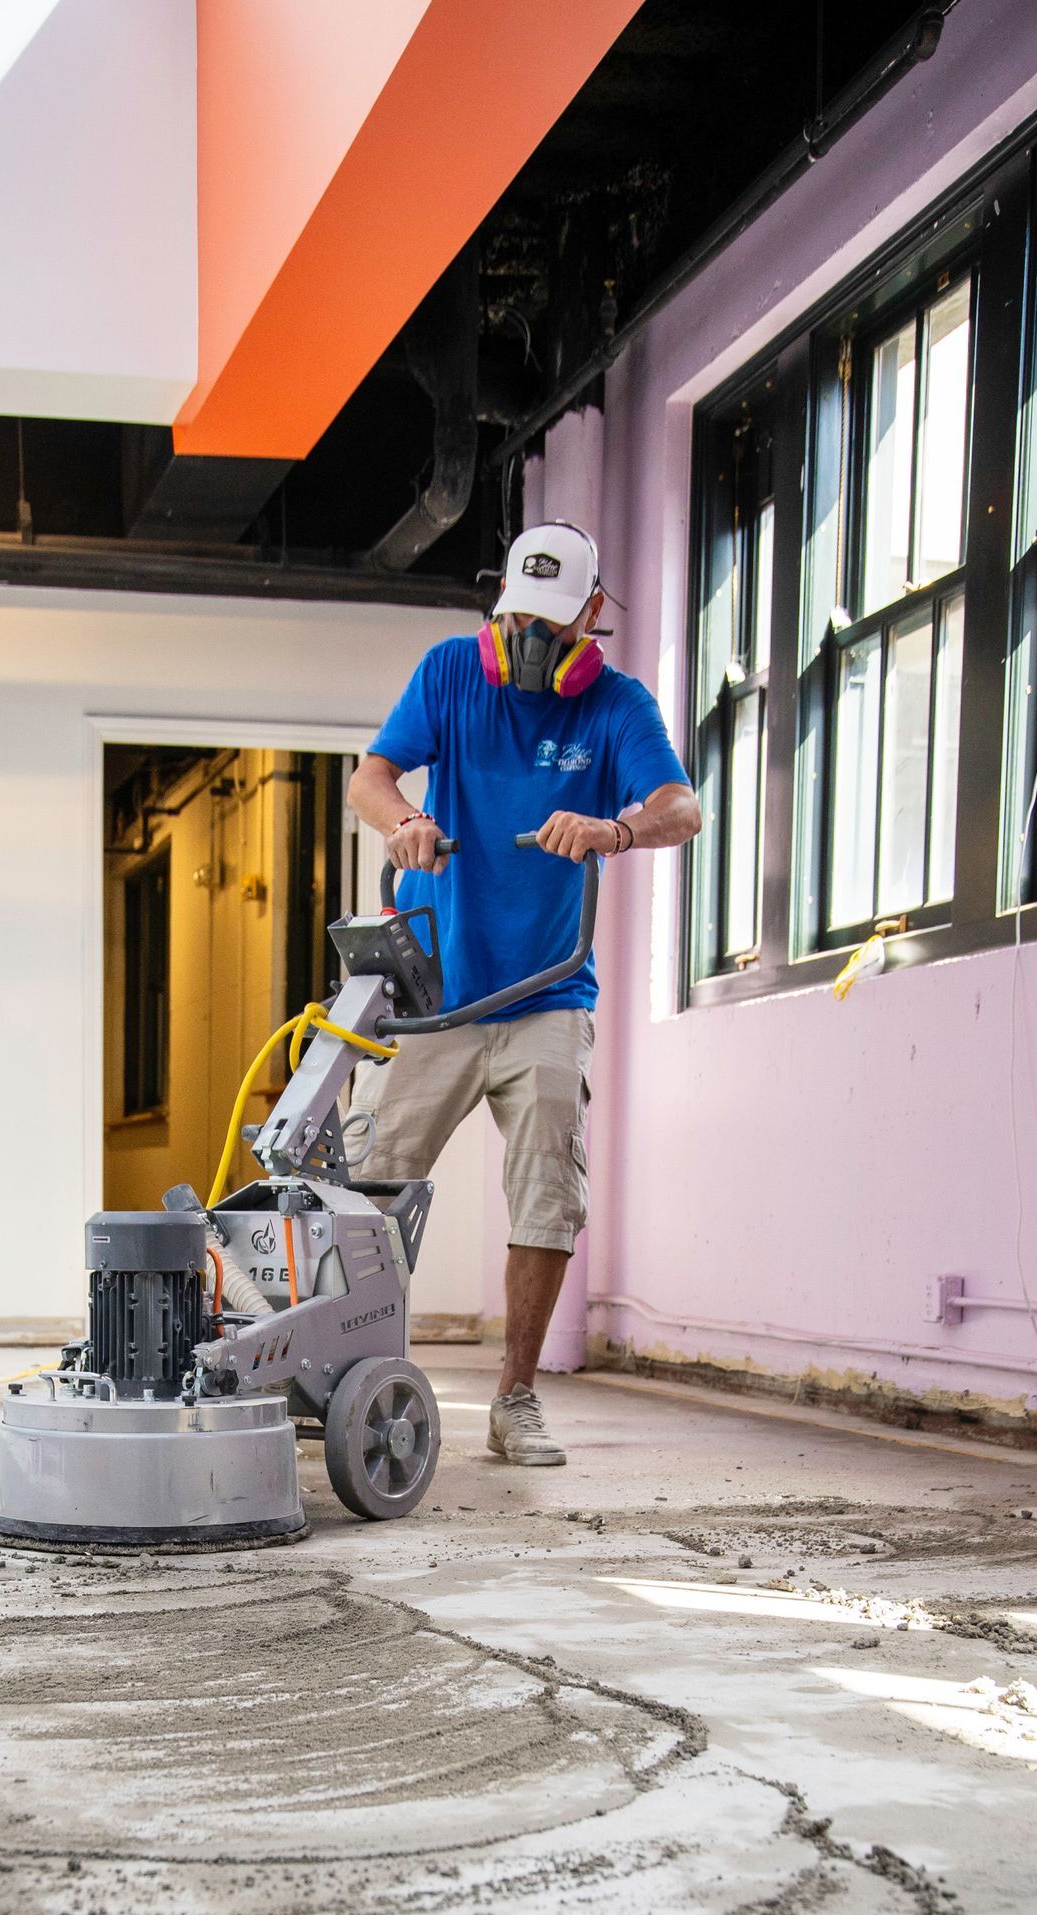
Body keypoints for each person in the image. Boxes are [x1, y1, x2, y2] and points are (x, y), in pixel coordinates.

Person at [347, 519, 699, 1468]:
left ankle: (515, 1400)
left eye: (556, 623)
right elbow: (370, 775)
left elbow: (682, 807)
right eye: (519, 619)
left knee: (550, 1193)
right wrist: (407, 822)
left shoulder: (616, 706)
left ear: (592, 617)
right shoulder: (451, 673)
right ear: (498, 608)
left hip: (548, 994)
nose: (534, 643)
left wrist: (613, 829)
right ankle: (347, 1381)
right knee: (363, 1187)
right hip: (435, 988)